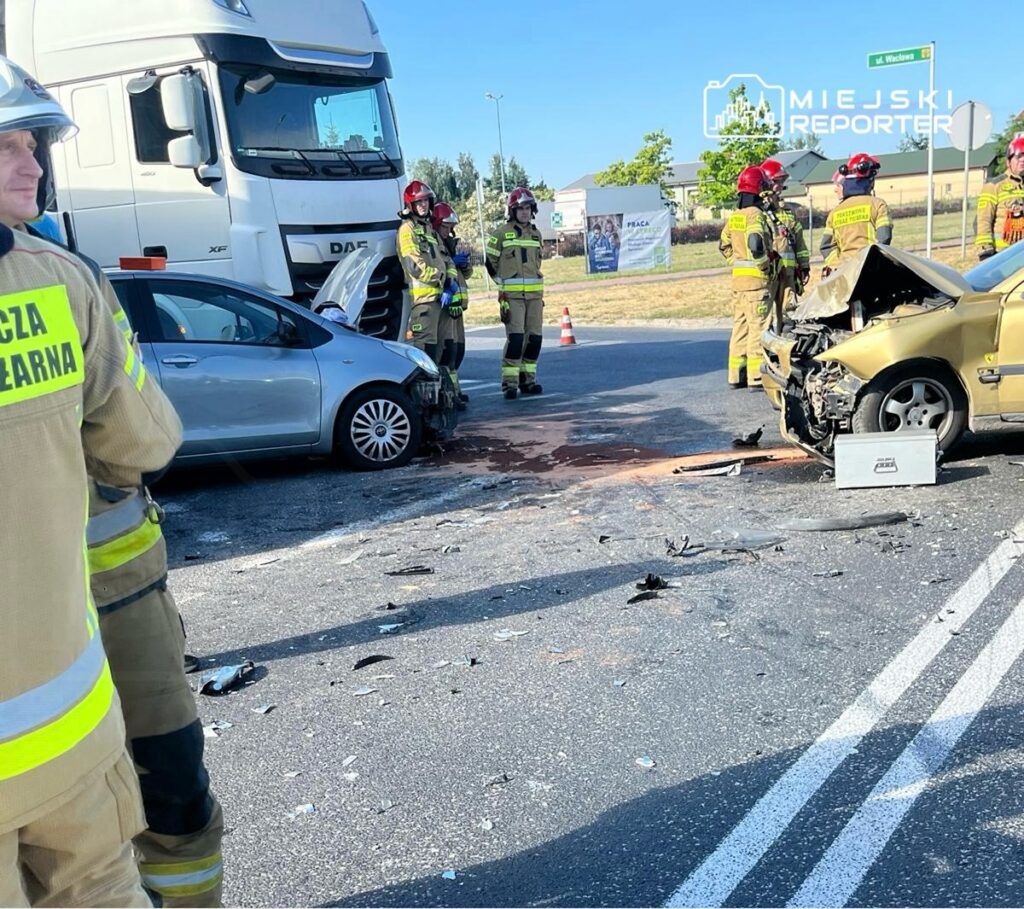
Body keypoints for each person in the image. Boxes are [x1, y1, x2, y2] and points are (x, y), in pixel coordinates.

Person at [15, 85, 225, 909]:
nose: (31, 160)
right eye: (10, 144)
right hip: (104, 609)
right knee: (165, 799)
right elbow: (144, 441)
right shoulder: (58, 280)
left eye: (36, 142)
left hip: (90, 617)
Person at [719, 165, 775, 390]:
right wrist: (763, 266)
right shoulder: (756, 215)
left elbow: (723, 245)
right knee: (757, 328)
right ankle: (756, 377)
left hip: (739, 285)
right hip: (756, 286)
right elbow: (755, 242)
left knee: (740, 328)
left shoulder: (734, 218)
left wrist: (737, 264)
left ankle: (736, 375)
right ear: (758, 189)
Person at [486, 187, 545, 399]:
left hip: (535, 298)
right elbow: (489, 262)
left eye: (528, 208)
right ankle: (509, 384)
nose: (524, 212)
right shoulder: (501, 234)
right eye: (520, 208)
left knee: (534, 339)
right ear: (512, 211)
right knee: (516, 339)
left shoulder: (537, 234)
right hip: (512, 298)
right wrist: (501, 285)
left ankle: (528, 381)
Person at [397, 181, 450, 366]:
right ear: (410, 205)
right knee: (425, 352)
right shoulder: (407, 230)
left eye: (426, 201)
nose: (423, 205)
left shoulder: (429, 230)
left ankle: (442, 393)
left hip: (440, 299)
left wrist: (451, 281)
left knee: (443, 350)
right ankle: (426, 394)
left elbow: (446, 259)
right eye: (419, 202)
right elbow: (415, 267)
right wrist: (443, 278)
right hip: (424, 302)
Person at [820, 153, 891, 276]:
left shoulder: (834, 213)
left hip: (844, 274)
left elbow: (826, 246)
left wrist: (839, 266)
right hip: (871, 271)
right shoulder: (878, 205)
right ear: (870, 180)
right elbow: (884, 237)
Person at [431, 201, 471, 408]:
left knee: (458, 351)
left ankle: (455, 391)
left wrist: (465, 263)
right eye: (445, 227)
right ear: (436, 224)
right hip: (444, 306)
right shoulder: (434, 244)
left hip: (458, 307)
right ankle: (447, 396)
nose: (448, 231)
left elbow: (464, 275)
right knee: (446, 352)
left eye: (450, 227)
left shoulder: (452, 243)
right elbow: (440, 272)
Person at [761, 158, 809, 315]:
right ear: (767, 182)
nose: (781, 185)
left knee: (789, 315)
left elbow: (799, 242)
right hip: (767, 275)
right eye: (777, 181)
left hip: (788, 274)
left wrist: (804, 266)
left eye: (782, 181)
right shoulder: (757, 212)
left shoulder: (787, 212)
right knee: (764, 319)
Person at [976, 137, 1024, 260]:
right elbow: (983, 221)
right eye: (1019, 156)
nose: (1023, 160)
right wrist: (986, 253)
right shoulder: (994, 186)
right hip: (1003, 256)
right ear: (1009, 161)